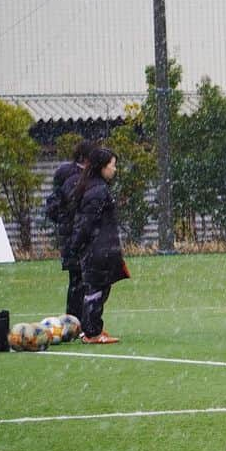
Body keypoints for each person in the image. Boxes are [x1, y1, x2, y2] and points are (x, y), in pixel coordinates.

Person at [69, 147, 128, 344]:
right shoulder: (97, 191)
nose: (115, 169)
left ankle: (93, 328)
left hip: (100, 248)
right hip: (98, 249)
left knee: (99, 288)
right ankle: (92, 332)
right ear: (102, 167)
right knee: (96, 290)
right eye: (112, 165)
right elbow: (86, 223)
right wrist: (76, 247)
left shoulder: (94, 187)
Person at [45, 139, 96, 320]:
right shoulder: (76, 178)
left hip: (71, 234)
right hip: (76, 235)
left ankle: (74, 319)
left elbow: (55, 206)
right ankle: (78, 319)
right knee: (81, 279)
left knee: (77, 280)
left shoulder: (66, 175)